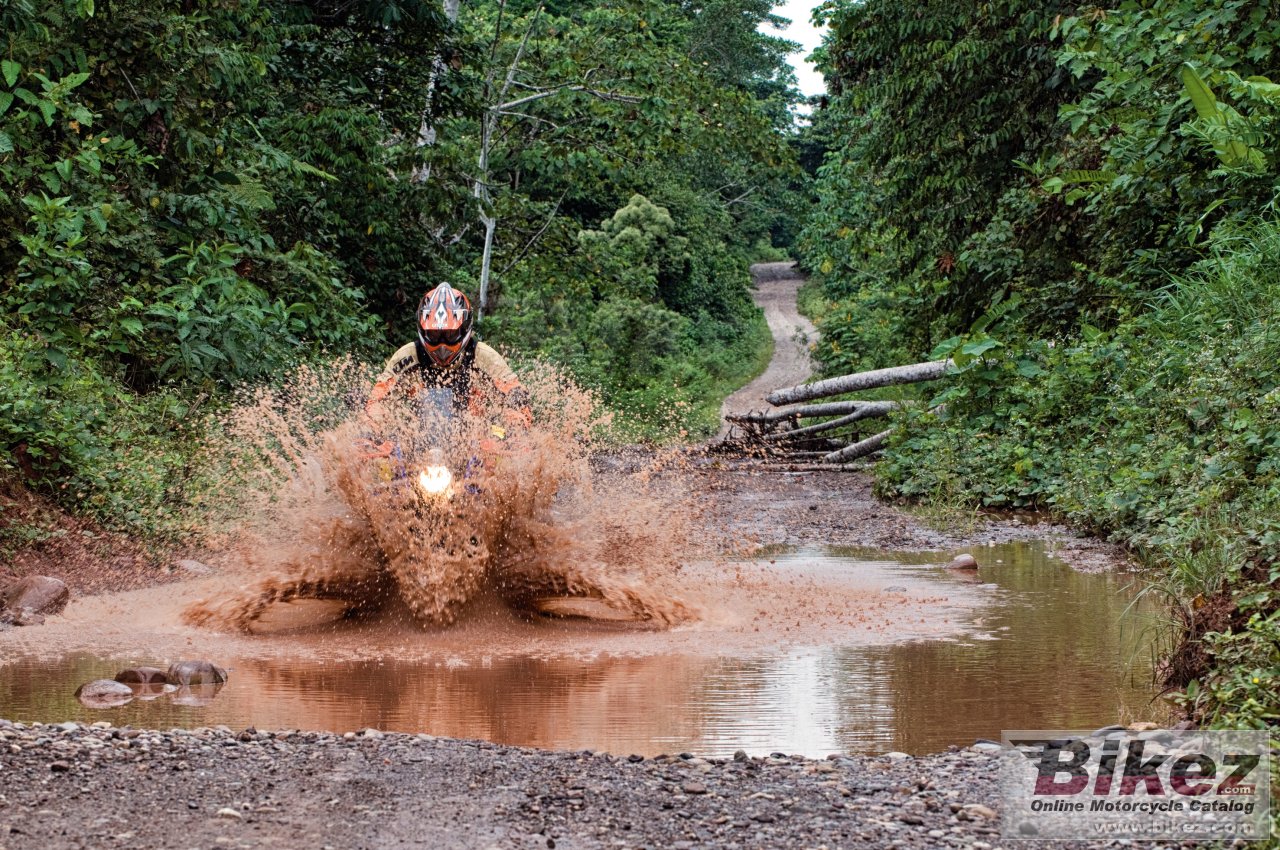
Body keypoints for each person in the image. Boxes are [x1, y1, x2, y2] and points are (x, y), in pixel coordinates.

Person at [365, 282, 531, 431]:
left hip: (476, 441)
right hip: (416, 440)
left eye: (450, 334)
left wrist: (514, 425)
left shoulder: (484, 357)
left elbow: (515, 392)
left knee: (509, 449)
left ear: (464, 328)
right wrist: (372, 428)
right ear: (423, 330)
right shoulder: (408, 356)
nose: (442, 345)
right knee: (375, 454)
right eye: (435, 335)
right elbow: (378, 398)